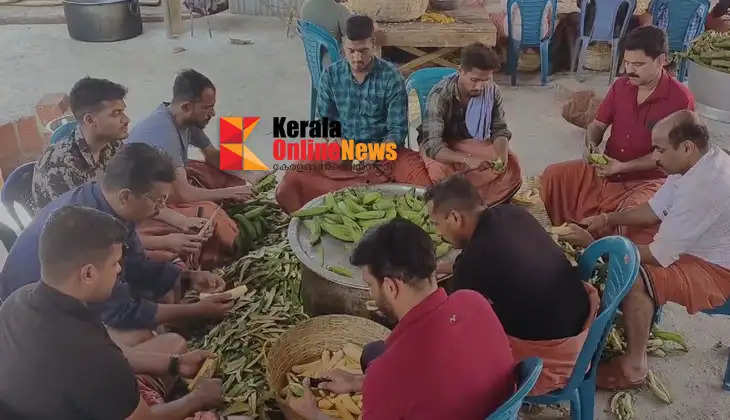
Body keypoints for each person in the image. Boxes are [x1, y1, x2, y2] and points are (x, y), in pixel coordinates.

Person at [557, 111, 730, 390]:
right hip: (699, 245)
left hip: (718, 270)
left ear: (686, 147)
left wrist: (593, 245)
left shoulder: (704, 187)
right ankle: (636, 319)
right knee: (627, 235)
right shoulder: (694, 163)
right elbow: (653, 211)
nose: (655, 156)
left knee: (634, 275)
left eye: (660, 149)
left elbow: (658, 256)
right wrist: (607, 219)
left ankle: (634, 367)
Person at [0, 206, 226, 419]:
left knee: (170, 344)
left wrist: (176, 364)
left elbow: (113, 352)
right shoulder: (91, 354)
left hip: (33, 403)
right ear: (88, 274)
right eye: (115, 263)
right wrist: (197, 399)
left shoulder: (18, 300)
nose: (119, 270)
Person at [0, 143, 234, 346]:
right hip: (34, 324)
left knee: (168, 287)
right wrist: (197, 310)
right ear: (125, 196)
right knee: (141, 338)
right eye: (158, 200)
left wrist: (188, 278)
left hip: (72, 298)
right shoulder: (90, 228)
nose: (161, 208)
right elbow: (120, 311)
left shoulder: (107, 203)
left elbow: (136, 265)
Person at [286, 218, 515, 419]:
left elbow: (399, 376)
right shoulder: (473, 301)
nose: (370, 294)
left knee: (378, 357)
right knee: (375, 352)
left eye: (369, 285)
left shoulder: (389, 373)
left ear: (391, 287)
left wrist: (314, 415)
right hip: (495, 411)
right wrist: (358, 383)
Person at [423, 175, 600, 395]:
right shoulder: (512, 214)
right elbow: (476, 262)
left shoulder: (474, 263)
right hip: (585, 324)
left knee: (457, 346)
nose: (439, 233)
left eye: (437, 224)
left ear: (454, 217)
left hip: (555, 354)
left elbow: (453, 315)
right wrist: (436, 266)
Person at [30, 76, 214, 267]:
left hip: (116, 224)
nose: (126, 120)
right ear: (90, 120)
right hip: (75, 252)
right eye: (116, 114)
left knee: (202, 221)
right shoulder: (59, 167)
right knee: (170, 263)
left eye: (123, 112)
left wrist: (182, 222)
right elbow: (90, 239)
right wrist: (166, 241)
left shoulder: (114, 147)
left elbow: (140, 196)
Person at [541, 26, 695, 246]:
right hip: (607, 169)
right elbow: (597, 124)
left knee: (632, 221)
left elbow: (669, 155)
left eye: (638, 64)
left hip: (649, 181)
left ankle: (600, 254)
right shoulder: (620, 86)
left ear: (662, 60)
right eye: (627, 63)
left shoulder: (680, 98)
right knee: (553, 176)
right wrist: (591, 146)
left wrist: (622, 167)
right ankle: (562, 236)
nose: (630, 70)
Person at [275, 15, 433, 214]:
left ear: (373, 45)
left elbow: (397, 130)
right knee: (292, 180)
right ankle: (365, 192)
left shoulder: (391, 77)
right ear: (343, 46)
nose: (357, 58)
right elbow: (323, 121)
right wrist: (336, 140)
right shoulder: (331, 75)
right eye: (351, 51)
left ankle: (360, 191)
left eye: (363, 51)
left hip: (385, 155)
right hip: (343, 153)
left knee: (424, 185)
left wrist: (376, 153)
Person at [128, 69, 254, 268]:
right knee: (213, 216)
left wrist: (251, 175)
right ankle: (225, 259)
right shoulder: (164, 135)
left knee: (220, 176)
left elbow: (212, 155)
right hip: (149, 202)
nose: (212, 113)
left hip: (170, 181)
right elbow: (182, 194)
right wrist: (229, 193)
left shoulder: (184, 119)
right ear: (187, 106)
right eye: (207, 108)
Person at [418, 42, 522, 207]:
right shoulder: (440, 95)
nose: (479, 86)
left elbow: (499, 130)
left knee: (511, 162)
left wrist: (501, 156)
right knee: (440, 172)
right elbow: (433, 145)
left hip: (471, 143)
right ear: (461, 71)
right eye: (474, 80)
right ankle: (463, 202)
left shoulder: (492, 91)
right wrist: (468, 160)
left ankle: (485, 202)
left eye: (485, 80)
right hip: (444, 146)